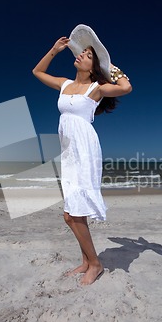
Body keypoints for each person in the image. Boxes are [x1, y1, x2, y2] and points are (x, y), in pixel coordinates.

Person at [32, 25, 132, 285]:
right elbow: (37, 71)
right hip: (68, 150)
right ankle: (88, 261)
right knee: (72, 213)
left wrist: (109, 65)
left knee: (73, 214)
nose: (80, 55)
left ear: (93, 65)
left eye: (87, 55)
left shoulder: (96, 89)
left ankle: (95, 264)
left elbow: (125, 87)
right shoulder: (64, 84)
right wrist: (54, 50)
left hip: (85, 149)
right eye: (82, 52)